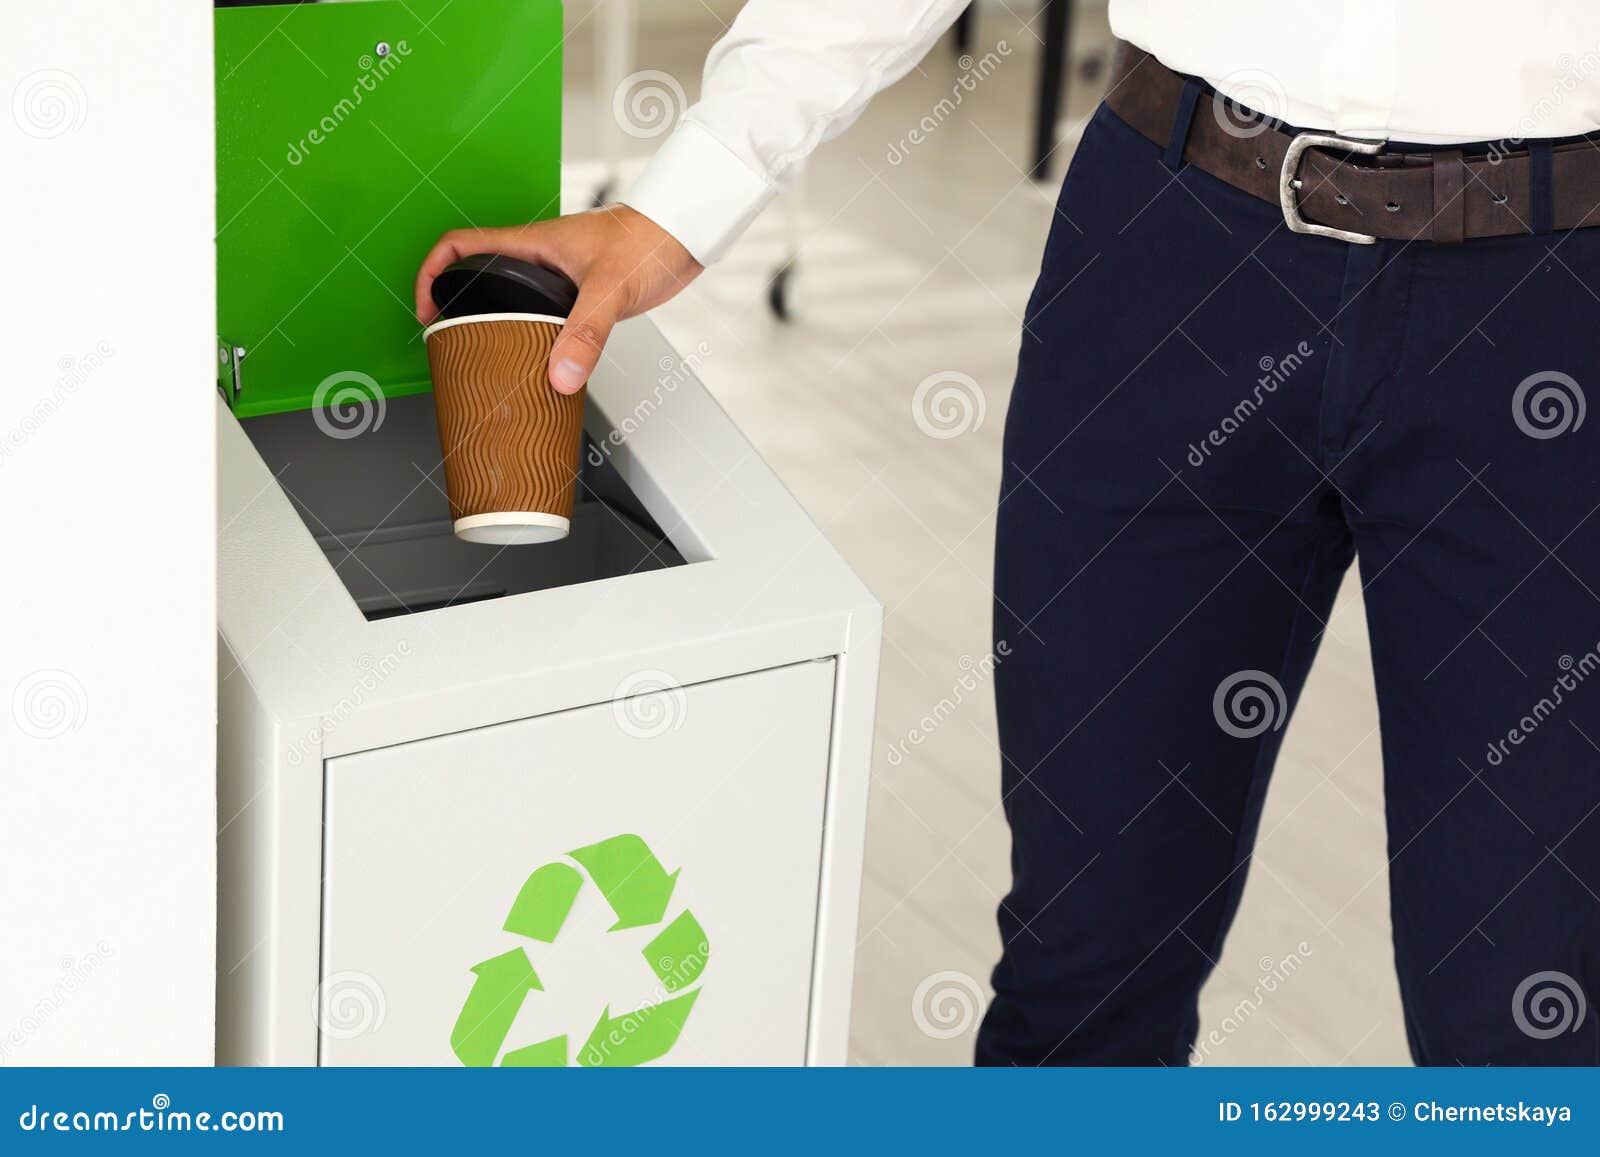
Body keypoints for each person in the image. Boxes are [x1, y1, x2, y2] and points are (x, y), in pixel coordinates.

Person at [416, 2, 1600, 1066]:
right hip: (1173, 255)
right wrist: (675, 206)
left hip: (1553, 300)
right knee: (1083, 958)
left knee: (1521, 1012)